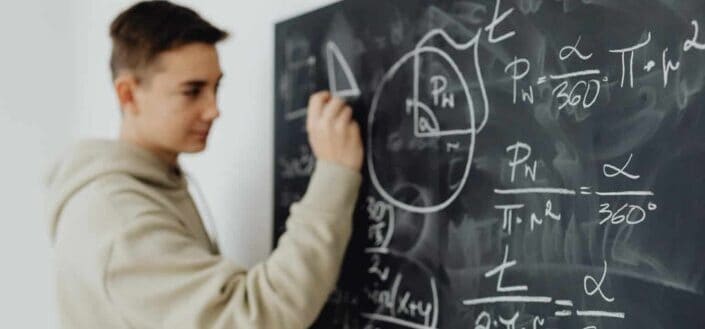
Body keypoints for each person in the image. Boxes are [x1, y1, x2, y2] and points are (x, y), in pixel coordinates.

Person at [45, 1, 363, 328]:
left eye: (216, 87)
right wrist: (334, 175)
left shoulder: (153, 185)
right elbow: (252, 318)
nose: (213, 110)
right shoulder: (118, 219)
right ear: (128, 94)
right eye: (192, 91)